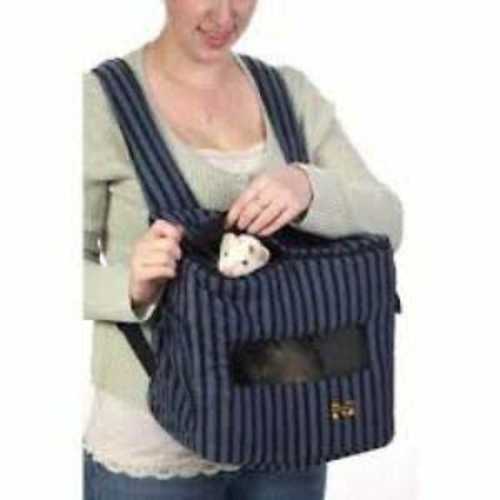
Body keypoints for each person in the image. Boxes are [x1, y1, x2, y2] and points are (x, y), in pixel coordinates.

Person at [83, 0, 404, 498]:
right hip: (152, 443)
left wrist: (308, 188)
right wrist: (129, 285)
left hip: (292, 423)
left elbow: (389, 222)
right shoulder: (101, 102)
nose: (225, 15)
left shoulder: (289, 94)